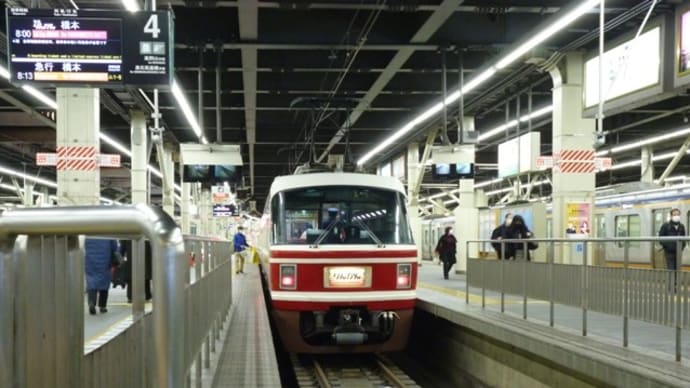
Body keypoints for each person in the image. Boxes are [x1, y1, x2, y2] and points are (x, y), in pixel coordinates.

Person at [85, 238, 120, 315]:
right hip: (105, 258)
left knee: (91, 281)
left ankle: (92, 302)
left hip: (90, 259)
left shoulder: (87, 230)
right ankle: (102, 306)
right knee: (104, 281)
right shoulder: (107, 230)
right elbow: (114, 246)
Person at [658, 208, 686, 289]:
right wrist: (667, 246)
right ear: (671, 216)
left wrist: (682, 247)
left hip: (679, 252)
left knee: (678, 268)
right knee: (671, 269)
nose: (676, 216)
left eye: (678, 214)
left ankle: (676, 285)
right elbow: (660, 238)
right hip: (669, 252)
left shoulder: (682, 226)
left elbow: (684, 238)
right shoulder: (665, 226)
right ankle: (671, 286)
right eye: (674, 214)